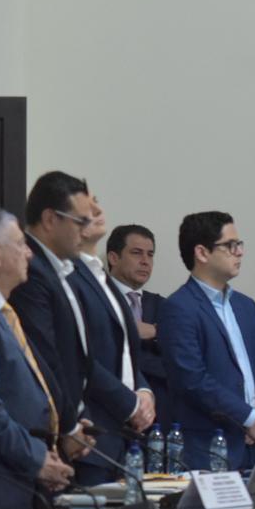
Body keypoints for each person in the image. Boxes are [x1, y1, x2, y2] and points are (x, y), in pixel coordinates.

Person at [159, 212, 255, 471]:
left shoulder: (246, 306)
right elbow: (193, 380)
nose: (240, 252)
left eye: (239, 244)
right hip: (208, 448)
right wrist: (249, 418)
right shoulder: (179, 307)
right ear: (202, 253)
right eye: (230, 245)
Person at [0, 208, 74, 509]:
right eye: (20, 244)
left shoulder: (6, 313)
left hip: (21, 486)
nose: (29, 253)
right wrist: (36, 458)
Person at [68, 196, 155, 484]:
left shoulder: (103, 280)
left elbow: (124, 353)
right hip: (94, 435)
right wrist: (131, 404)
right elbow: (80, 357)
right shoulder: (69, 277)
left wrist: (144, 391)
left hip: (126, 438)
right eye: (88, 206)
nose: (98, 210)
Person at [10, 171, 96, 458]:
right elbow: (45, 357)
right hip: (42, 432)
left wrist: (77, 419)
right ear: (50, 219)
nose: (86, 232)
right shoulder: (31, 273)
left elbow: (78, 359)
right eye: (80, 222)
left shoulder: (63, 271)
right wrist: (68, 426)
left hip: (68, 424)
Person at [106, 224, 169, 414]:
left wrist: (156, 331)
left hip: (158, 412)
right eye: (136, 253)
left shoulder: (164, 305)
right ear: (113, 258)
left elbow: (175, 361)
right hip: (109, 408)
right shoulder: (98, 299)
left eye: (150, 255)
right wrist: (130, 329)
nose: (145, 261)